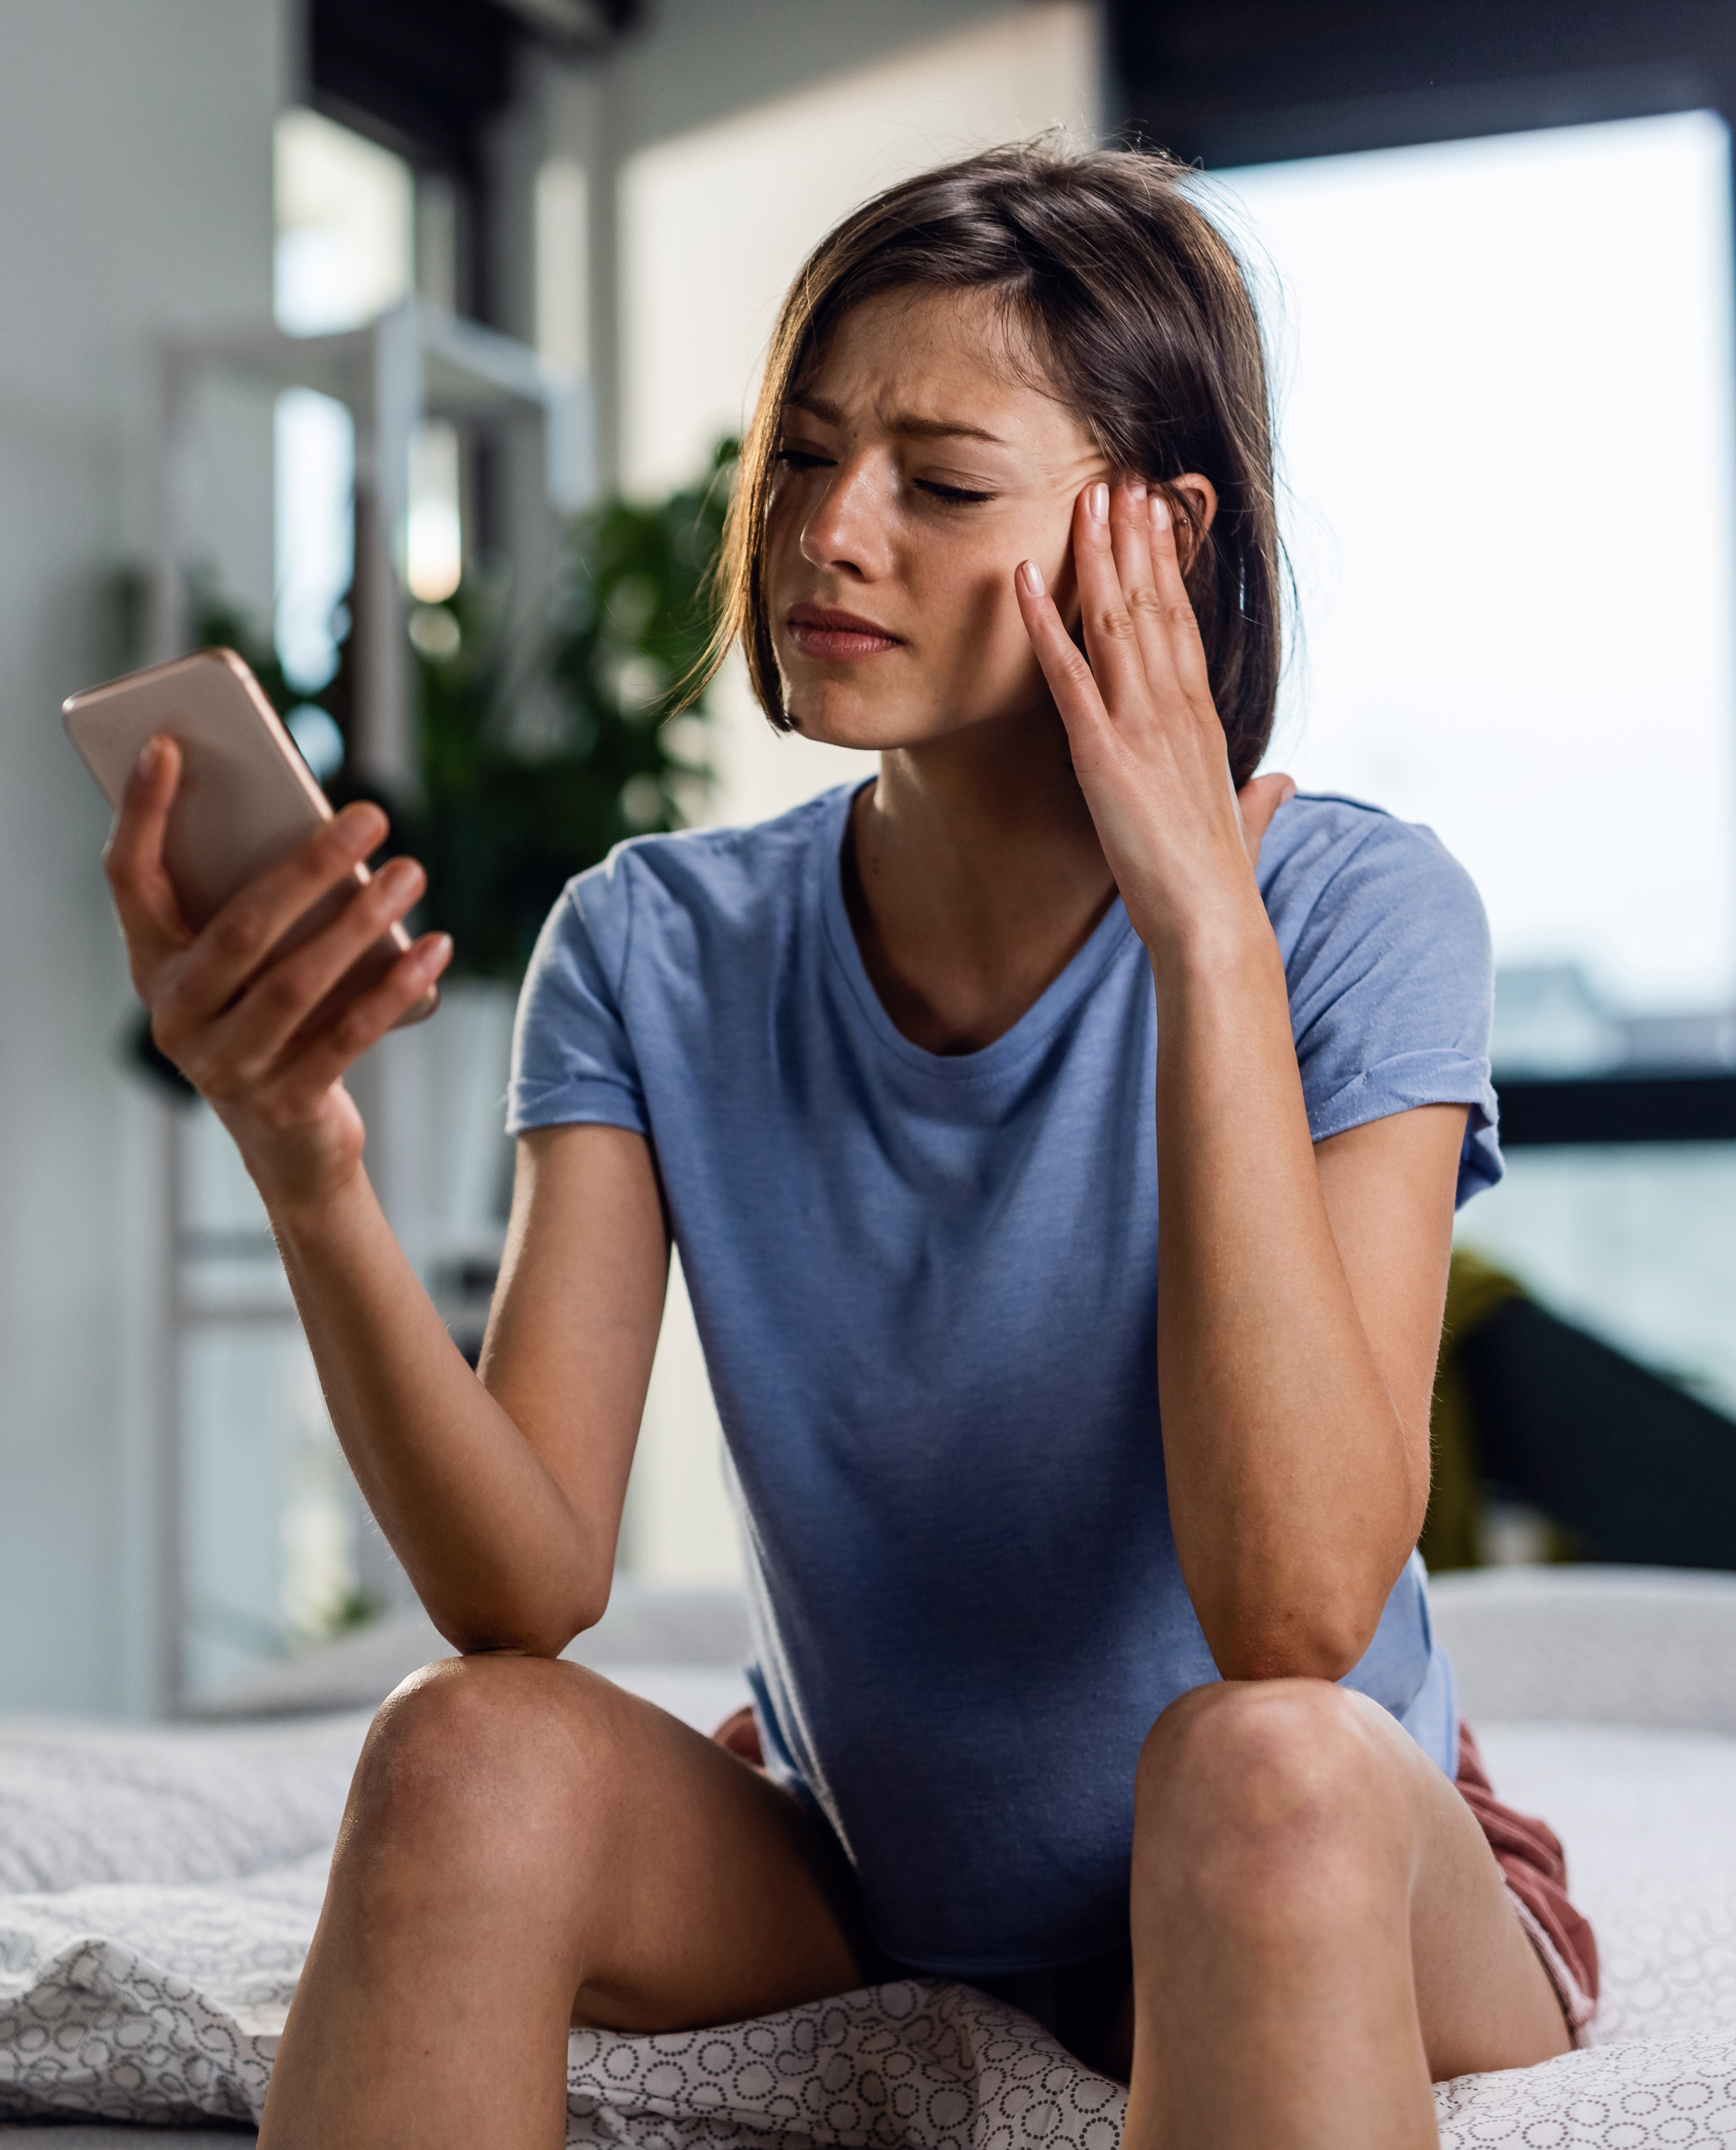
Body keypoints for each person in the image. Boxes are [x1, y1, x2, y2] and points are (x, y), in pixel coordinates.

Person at [103, 141, 1597, 2150]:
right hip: (875, 1877)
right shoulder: (653, 942)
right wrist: (306, 1160)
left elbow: (1296, 1617)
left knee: (1267, 1771)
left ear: (1157, 533)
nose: (829, 530)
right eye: (805, 457)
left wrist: (1204, 940)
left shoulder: (1352, 914)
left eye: (943, 484)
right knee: (464, 1747)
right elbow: (520, 1583)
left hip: (1311, 1869)